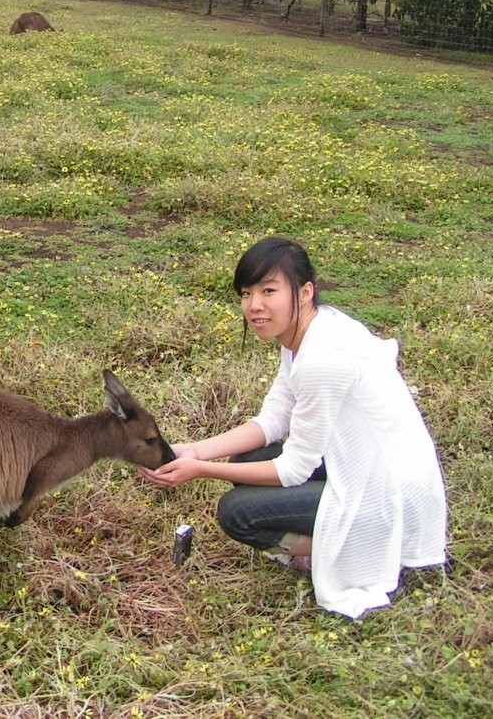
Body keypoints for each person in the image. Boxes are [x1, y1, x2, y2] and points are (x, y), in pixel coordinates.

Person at [142, 236, 447, 619]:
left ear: (304, 292)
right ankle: (339, 539)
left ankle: (357, 546)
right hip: (362, 466)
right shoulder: (308, 334)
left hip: (389, 497)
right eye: (246, 293)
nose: (254, 306)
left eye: (269, 291)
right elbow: (273, 420)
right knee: (248, 458)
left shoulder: (323, 358)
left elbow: (292, 470)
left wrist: (200, 471)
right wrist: (197, 450)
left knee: (237, 512)